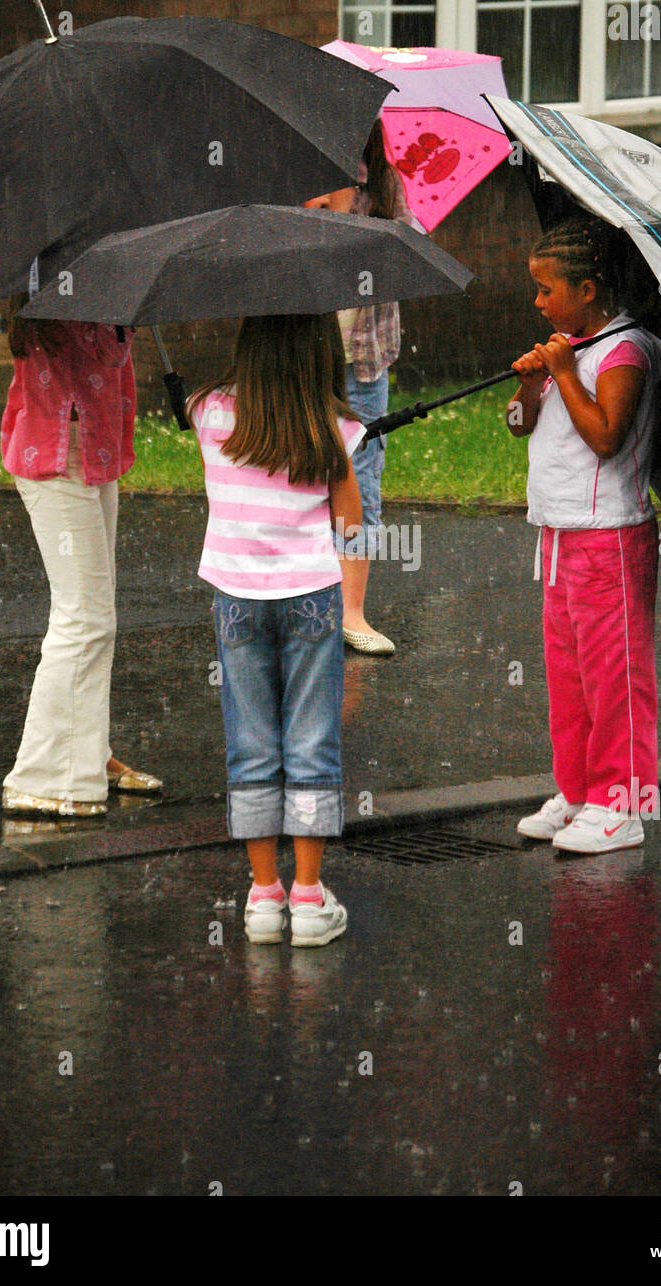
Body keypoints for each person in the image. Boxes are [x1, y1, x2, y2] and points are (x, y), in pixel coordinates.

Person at [188, 313, 365, 946]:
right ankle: (310, 898)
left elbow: (202, 417)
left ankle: (263, 897)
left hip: (235, 597)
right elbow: (349, 526)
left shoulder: (208, 409)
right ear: (320, 352)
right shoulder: (332, 425)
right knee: (312, 738)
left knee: (253, 740)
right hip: (311, 596)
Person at [507, 214, 661, 854]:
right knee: (569, 677)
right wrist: (533, 382)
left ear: (588, 289)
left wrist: (567, 374)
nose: (539, 301)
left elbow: (606, 436)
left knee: (616, 678)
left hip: (610, 537)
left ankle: (621, 804)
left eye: (548, 289)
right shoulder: (566, 348)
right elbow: (521, 425)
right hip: (558, 537)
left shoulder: (625, 350)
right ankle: (577, 791)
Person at [1, 298, 162, 818]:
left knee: (96, 615)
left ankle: (86, 753)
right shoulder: (55, 283)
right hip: (54, 452)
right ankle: (41, 778)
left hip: (95, 448)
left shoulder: (108, 272)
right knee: (85, 619)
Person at [305, 120, 422, 655]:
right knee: (303, 476)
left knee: (363, 482)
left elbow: (413, 249)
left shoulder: (384, 183)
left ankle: (352, 611)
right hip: (308, 356)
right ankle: (308, 598)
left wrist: (375, 230)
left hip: (366, 361)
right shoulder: (301, 175)